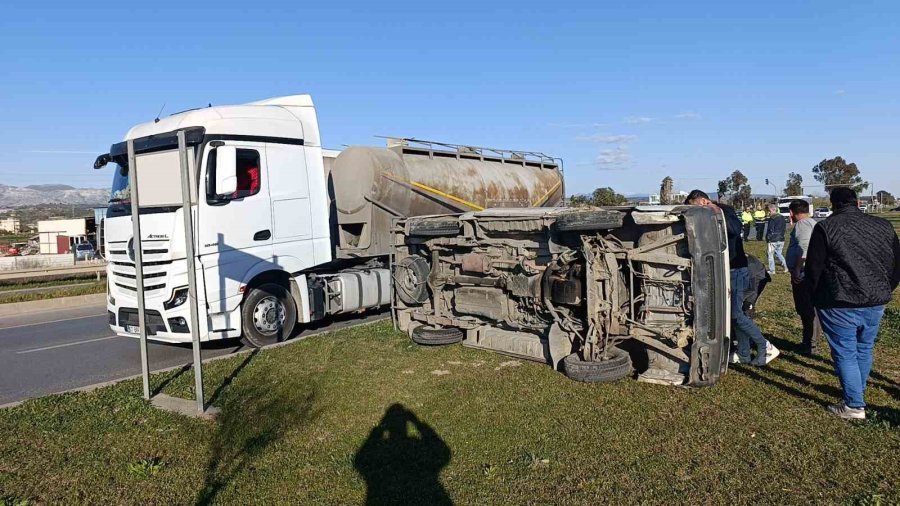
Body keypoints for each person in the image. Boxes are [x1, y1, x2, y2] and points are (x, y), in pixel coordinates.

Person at [805, 187, 900, 420]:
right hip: (875, 299)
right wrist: (886, 288)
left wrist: (815, 296)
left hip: (839, 300)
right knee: (864, 347)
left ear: (833, 204)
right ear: (857, 202)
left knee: (845, 352)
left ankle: (854, 404)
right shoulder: (883, 226)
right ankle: (857, 390)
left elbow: (814, 268)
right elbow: (896, 264)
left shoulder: (826, 227)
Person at [685, 190, 778, 366]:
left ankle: (765, 346)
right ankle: (743, 353)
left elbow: (735, 229)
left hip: (737, 270)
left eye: (694, 206)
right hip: (724, 270)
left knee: (735, 314)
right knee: (736, 313)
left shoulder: (724, 211)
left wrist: (715, 210)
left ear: (703, 201)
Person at [786, 199, 821, 355]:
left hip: (803, 273)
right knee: (808, 309)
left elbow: (804, 248)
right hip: (808, 272)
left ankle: (810, 344)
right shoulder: (812, 223)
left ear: (791, 212)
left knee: (807, 309)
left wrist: (797, 269)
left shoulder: (802, 224)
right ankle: (809, 341)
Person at [765, 203, 788, 275]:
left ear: (771, 210)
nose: (768, 213)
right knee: (779, 253)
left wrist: (768, 238)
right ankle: (786, 267)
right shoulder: (782, 217)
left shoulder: (772, 218)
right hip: (781, 238)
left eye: (768, 211)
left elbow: (770, 229)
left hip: (773, 239)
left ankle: (772, 270)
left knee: (770, 254)